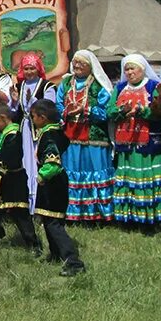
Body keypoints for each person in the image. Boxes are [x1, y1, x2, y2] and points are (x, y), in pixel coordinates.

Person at [108, 54, 161, 231]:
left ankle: (153, 219)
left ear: (142, 69)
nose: (129, 72)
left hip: (148, 143)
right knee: (129, 179)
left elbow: (160, 111)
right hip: (127, 142)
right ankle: (129, 218)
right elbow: (110, 111)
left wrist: (142, 112)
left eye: (132, 68)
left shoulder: (153, 87)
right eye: (126, 69)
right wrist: (122, 110)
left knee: (148, 178)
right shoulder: (120, 88)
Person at [28, 99, 87, 276]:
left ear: (43, 117)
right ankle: (55, 254)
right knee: (48, 220)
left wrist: (42, 175)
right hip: (54, 183)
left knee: (54, 223)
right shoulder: (55, 131)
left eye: (34, 116)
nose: (32, 119)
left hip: (52, 184)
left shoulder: (49, 136)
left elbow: (53, 162)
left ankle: (73, 261)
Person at [56, 50, 114, 224]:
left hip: (94, 136)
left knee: (94, 172)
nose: (77, 66)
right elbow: (59, 104)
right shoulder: (66, 83)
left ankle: (98, 214)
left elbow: (106, 112)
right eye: (75, 63)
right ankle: (74, 213)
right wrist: (66, 111)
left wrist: (86, 110)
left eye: (82, 64)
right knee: (72, 172)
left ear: (91, 67)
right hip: (71, 136)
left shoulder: (98, 85)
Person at [0, 101, 41, 248]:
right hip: (2, 178)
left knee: (20, 213)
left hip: (15, 179)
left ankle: (32, 244)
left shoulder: (14, 134)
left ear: (2, 117)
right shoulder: (5, 132)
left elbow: (6, 154)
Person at [10, 52, 56, 211]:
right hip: (25, 130)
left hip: (39, 130)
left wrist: (33, 101)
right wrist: (15, 102)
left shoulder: (47, 86)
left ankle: (41, 202)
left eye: (32, 68)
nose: (29, 72)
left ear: (38, 69)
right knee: (25, 163)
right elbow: (17, 111)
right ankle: (26, 200)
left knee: (38, 162)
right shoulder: (20, 86)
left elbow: (49, 108)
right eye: (26, 68)